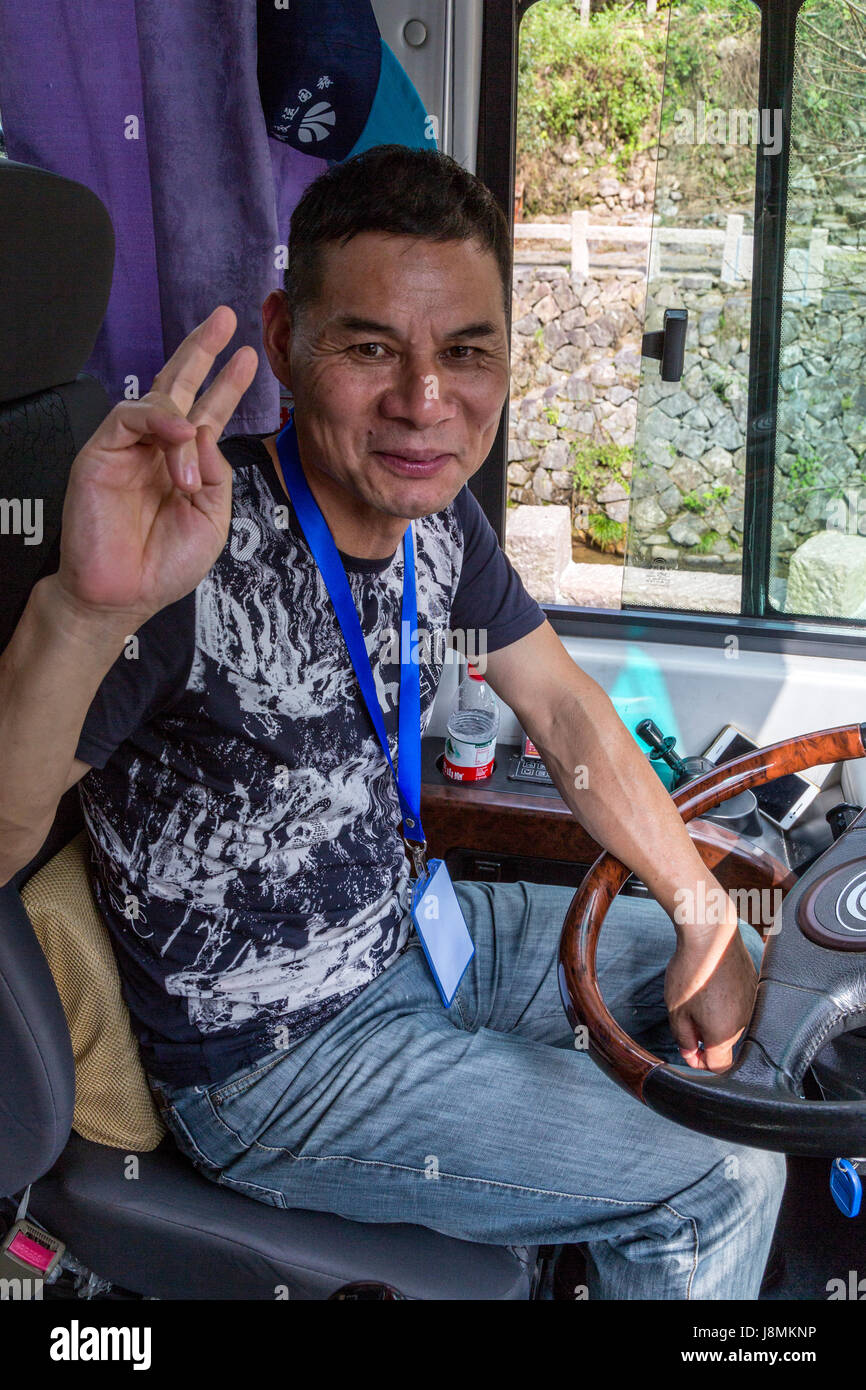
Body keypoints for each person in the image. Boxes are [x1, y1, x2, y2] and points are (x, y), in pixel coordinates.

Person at [0, 145, 784, 1298]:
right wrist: (79, 611)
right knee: (721, 1168)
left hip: (413, 937)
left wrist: (700, 907)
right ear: (284, 342)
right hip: (278, 1063)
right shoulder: (183, 554)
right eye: (370, 348)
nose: (425, 402)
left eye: (465, 353)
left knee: (736, 948)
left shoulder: (436, 520)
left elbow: (563, 707)